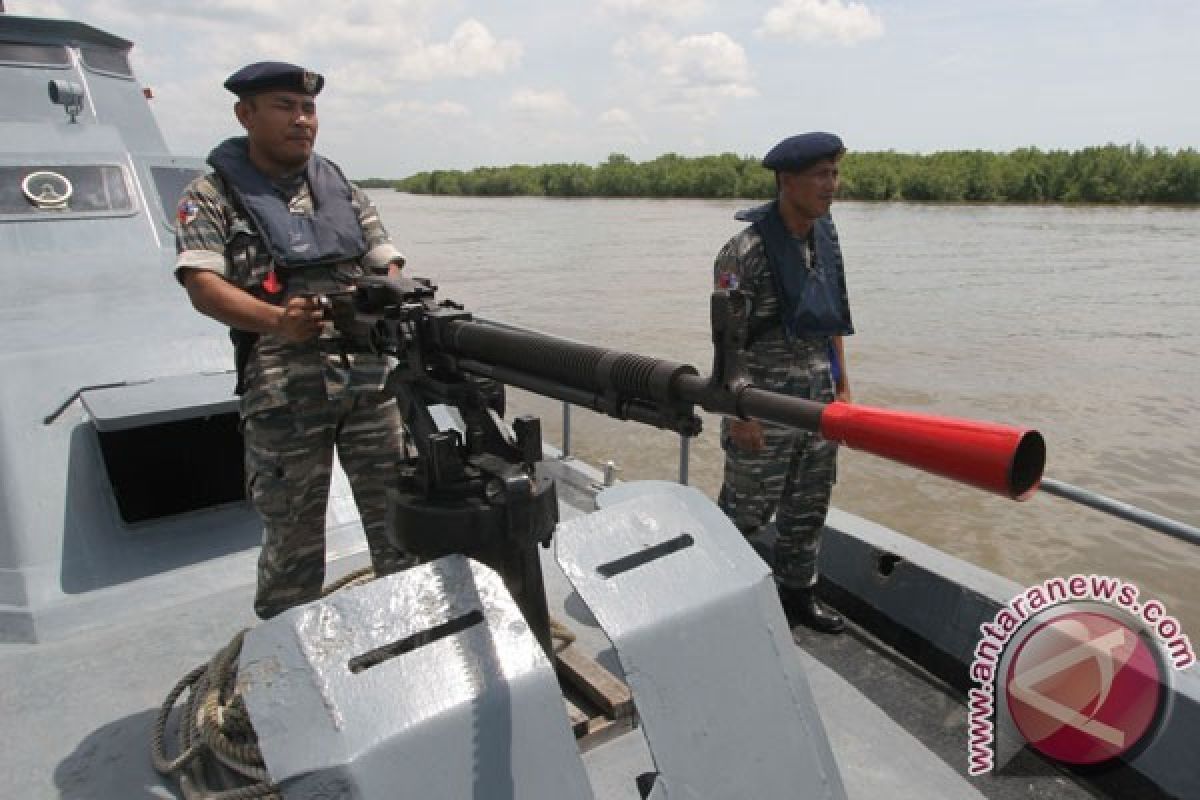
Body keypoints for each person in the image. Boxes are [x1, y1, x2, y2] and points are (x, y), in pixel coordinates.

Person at [174, 62, 411, 619]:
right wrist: (277, 319)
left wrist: (389, 296)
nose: (302, 120)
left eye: (308, 109)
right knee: (293, 540)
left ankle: (406, 636)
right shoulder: (211, 196)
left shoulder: (342, 189)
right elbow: (202, 284)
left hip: (368, 382)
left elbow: (388, 261)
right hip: (284, 393)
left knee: (398, 520)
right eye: (284, 106)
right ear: (245, 114)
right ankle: (286, 660)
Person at [713, 132, 854, 633]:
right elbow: (727, 342)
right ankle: (720, 600)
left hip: (818, 406)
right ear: (786, 180)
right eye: (820, 175)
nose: (831, 185)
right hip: (764, 410)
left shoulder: (824, 240)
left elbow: (831, 319)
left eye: (834, 174)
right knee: (744, 512)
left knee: (808, 508)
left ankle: (798, 595)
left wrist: (842, 390)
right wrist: (739, 413)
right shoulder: (743, 253)